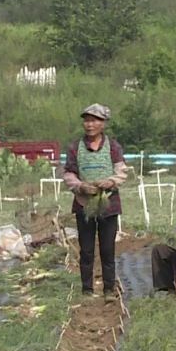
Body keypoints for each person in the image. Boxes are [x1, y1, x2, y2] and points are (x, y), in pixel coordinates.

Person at [62, 103, 129, 301]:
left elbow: (121, 172)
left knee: (108, 249)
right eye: (87, 120)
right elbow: (69, 174)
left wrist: (110, 182)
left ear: (103, 123)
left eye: (94, 120)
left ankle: (109, 290)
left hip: (109, 204)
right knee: (87, 250)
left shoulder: (113, 147)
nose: (89, 124)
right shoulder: (75, 147)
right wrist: (81, 186)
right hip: (84, 204)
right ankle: (87, 290)